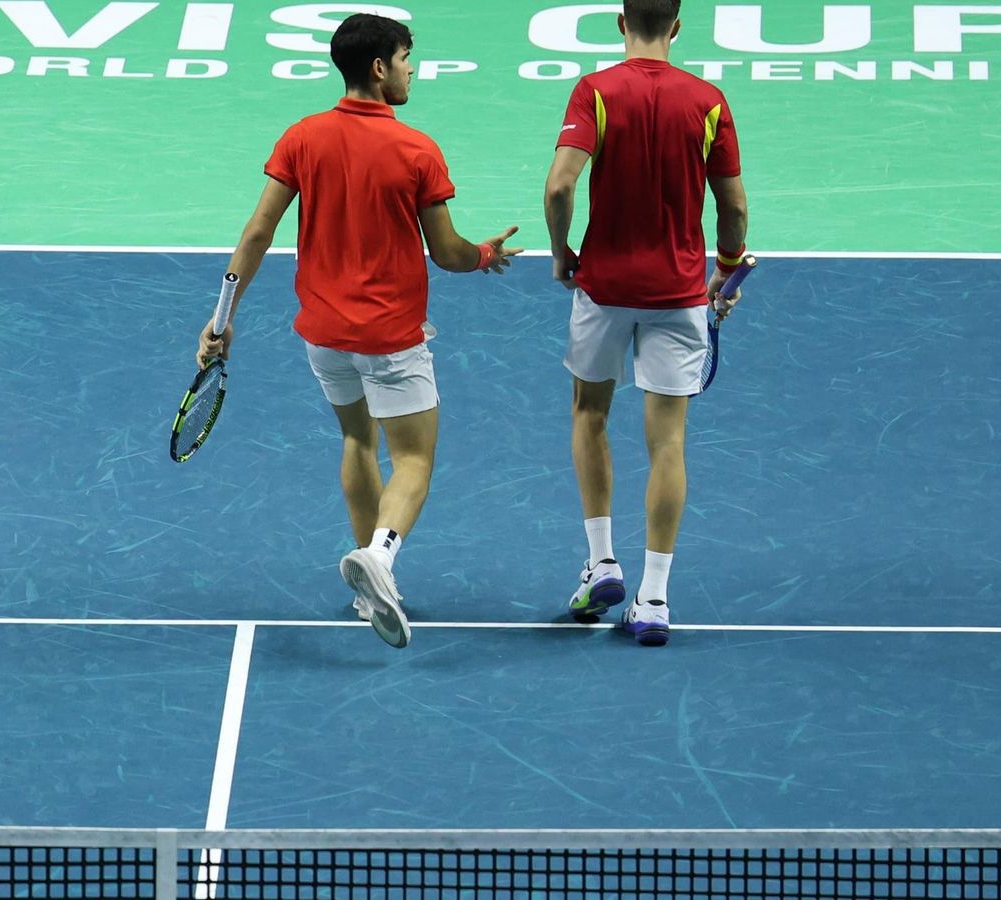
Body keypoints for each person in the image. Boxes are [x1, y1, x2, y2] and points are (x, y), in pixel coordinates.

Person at [196, 12, 521, 649]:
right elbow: (448, 252)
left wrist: (220, 322)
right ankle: (383, 556)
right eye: (405, 57)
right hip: (391, 337)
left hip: (323, 333)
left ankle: (364, 583)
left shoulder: (302, 137)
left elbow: (258, 231)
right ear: (379, 67)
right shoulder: (416, 148)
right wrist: (486, 255)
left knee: (355, 439)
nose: (411, 69)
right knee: (414, 458)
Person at [542, 0, 750, 646]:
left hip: (604, 287)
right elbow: (734, 205)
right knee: (668, 442)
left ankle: (602, 561)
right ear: (678, 27)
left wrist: (561, 251)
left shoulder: (596, 92)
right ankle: (654, 598)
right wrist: (726, 266)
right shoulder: (708, 101)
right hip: (679, 293)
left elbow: (558, 188)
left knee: (589, 415)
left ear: (621, 23)